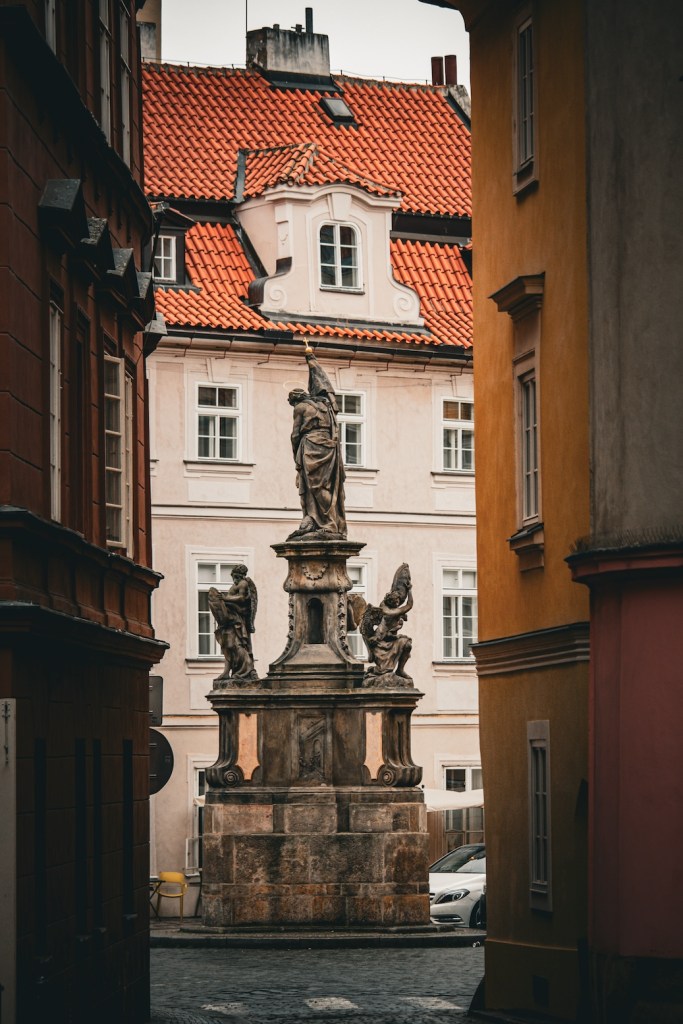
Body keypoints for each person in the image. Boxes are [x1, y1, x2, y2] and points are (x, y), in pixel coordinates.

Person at [287, 351, 347, 540]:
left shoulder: (301, 407)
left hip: (311, 447)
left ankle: (326, 523)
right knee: (325, 486)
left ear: (295, 400)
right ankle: (324, 520)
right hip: (328, 448)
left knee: (315, 486)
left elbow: (295, 434)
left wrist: (296, 455)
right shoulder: (325, 407)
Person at [207, 565, 258, 683]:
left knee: (236, 645)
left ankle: (247, 669)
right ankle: (226, 672)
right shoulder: (236, 584)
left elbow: (241, 598)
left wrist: (225, 599)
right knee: (227, 645)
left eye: (235, 575)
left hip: (238, 620)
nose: (233, 577)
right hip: (230, 618)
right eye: (233, 575)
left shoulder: (243, 584)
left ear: (240, 575)